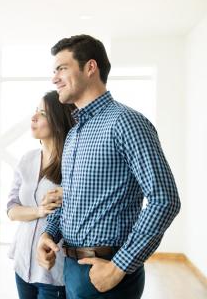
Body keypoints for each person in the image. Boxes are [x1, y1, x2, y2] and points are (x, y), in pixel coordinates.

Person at [36, 35, 181, 299]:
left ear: (90, 68)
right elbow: (69, 197)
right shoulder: (74, 134)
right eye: (54, 71)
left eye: (62, 68)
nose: (54, 78)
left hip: (109, 273)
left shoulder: (126, 123)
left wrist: (119, 266)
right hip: (72, 268)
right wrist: (49, 233)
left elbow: (165, 200)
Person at [7, 91, 75, 299]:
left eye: (42, 113)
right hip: (22, 263)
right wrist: (39, 210)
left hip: (54, 270)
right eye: (35, 111)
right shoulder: (27, 159)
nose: (33, 117)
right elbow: (11, 209)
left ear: (57, 121)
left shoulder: (72, 163)